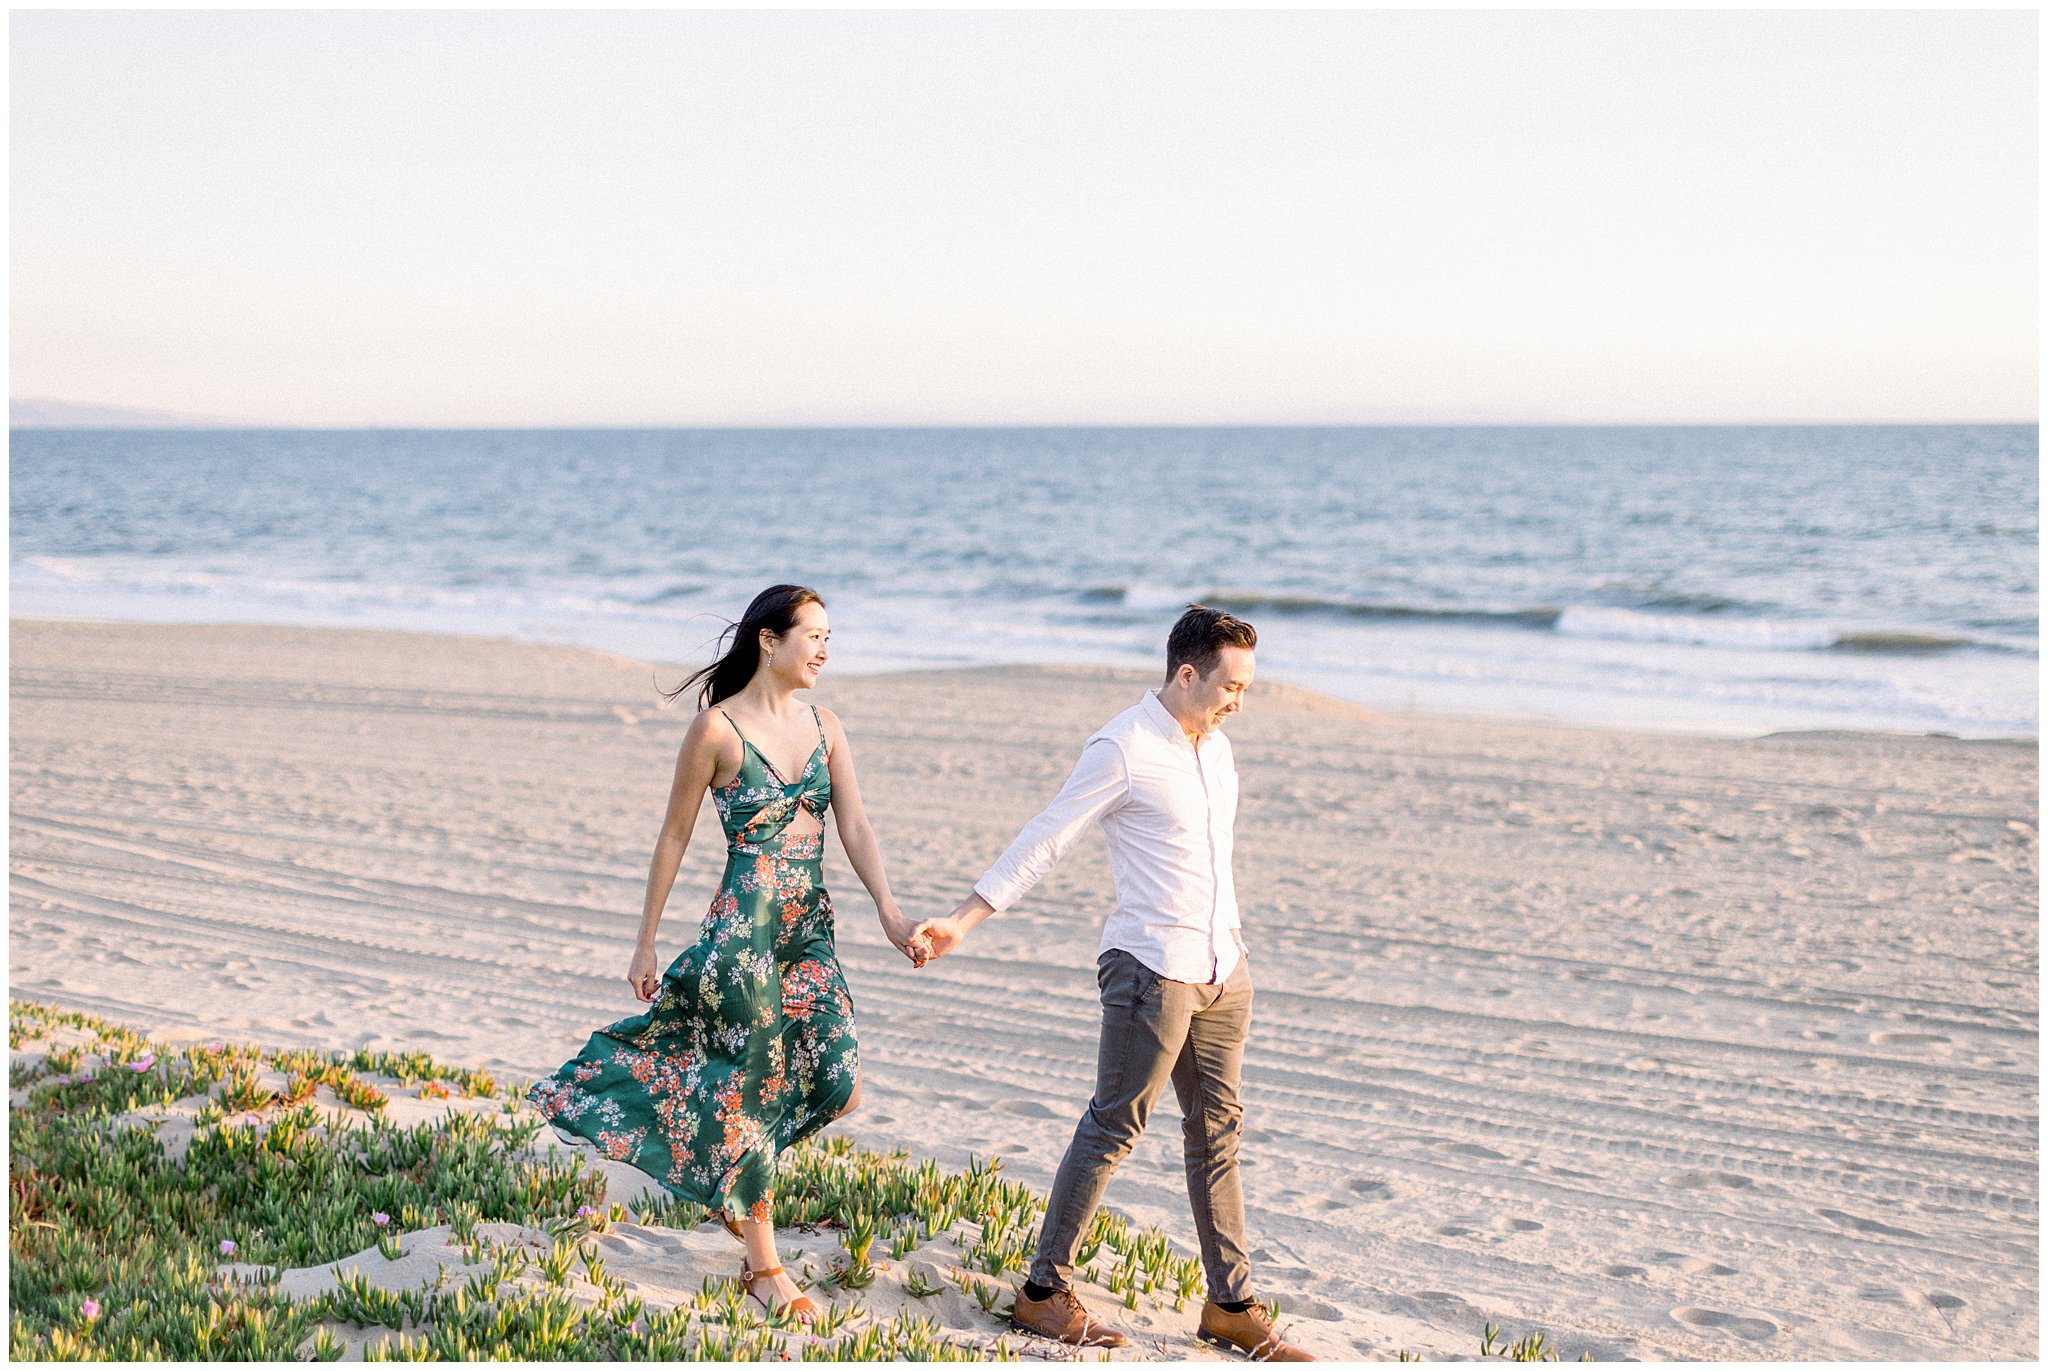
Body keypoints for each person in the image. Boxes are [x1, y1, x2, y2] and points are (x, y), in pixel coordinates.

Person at [911, 604, 1312, 1361]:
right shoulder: (1123, 746)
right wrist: (964, 919)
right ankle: (1042, 1292)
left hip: (1223, 967)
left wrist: (1234, 951)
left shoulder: (1218, 752)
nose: (1239, 702)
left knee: (1217, 1132)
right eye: (1231, 686)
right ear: (1186, 673)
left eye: (1249, 688)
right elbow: (1048, 836)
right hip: (1151, 966)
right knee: (1115, 1125)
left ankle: (1230, 1303)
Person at [529, 584, 922, 1325]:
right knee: (756, 1087)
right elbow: (673, 835)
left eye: (830, 635)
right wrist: (645, 938)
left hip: (809, 927)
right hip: (742, 934)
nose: (826, 647)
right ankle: (764, 1267)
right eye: (814, 633)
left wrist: (891, 913)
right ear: (769, 640)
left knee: (841, 1080)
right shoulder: (717, 730)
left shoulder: (827, 725)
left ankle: (733, 1176)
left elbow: (858, 826)